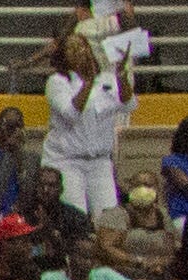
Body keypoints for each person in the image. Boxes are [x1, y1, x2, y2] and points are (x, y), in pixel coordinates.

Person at [39, 32, 133, 220]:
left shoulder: (107, 79)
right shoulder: (57, 82)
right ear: (63, 56)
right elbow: (70, 114)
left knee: (108, 219)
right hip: (67, 161)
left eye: (82, 46)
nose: (79, 51)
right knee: (76, 217)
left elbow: (128, 104)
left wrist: (121, 77)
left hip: (99, 162)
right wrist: (88, 83)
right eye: (72, 48)